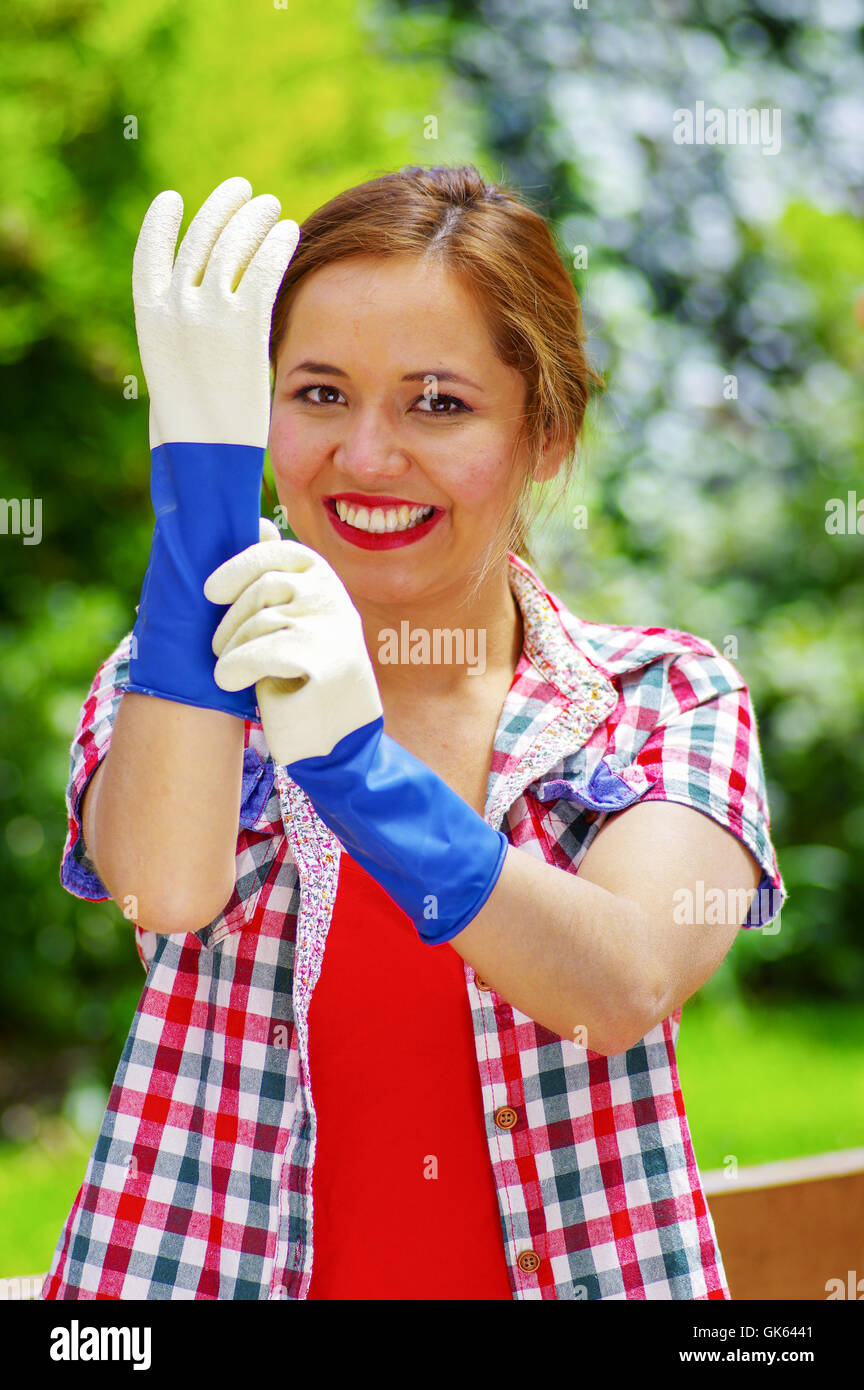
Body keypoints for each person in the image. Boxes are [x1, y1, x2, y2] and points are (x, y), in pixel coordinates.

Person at [40, 165, 785, 1302]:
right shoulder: (177, 685)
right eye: (317, 394)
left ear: (546, 434)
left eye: (438, 404)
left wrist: (359, 769)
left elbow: (622, 983)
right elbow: (165, 888)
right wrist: (200, 489)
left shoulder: (662, 698)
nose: (368, 457)